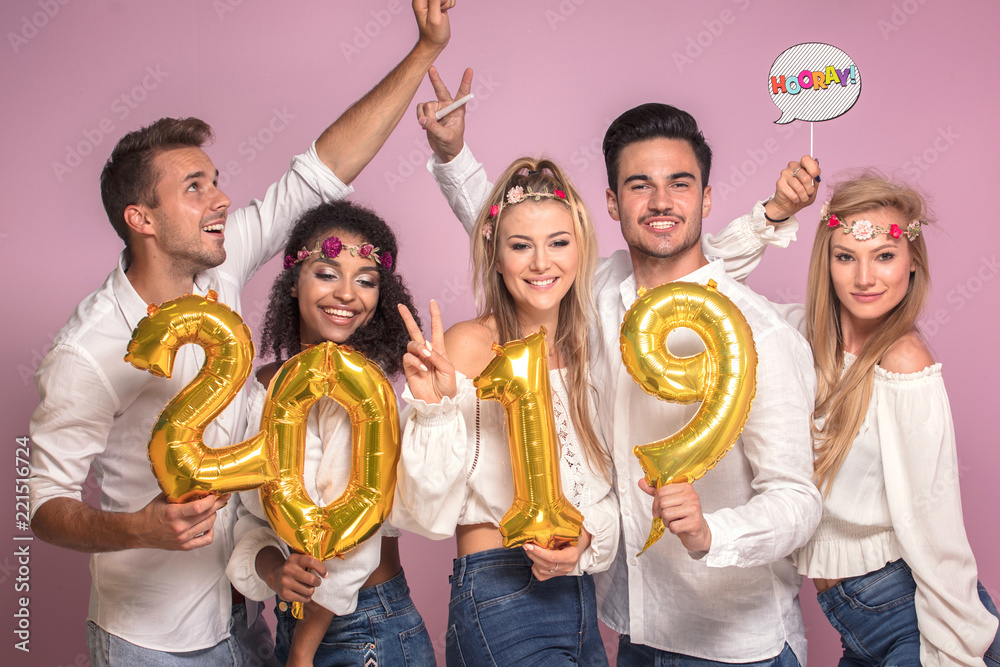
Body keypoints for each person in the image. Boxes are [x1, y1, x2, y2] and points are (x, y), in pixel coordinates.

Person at [27, 2, 457, 664]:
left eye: (217, 182)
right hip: (151, 639)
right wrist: (140, 527)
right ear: (141, 217)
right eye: (196, 188)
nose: (221, 200)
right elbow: (44, 503)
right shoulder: (87, 349)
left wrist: (425, 49)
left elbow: (324, 169)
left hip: (246, 619)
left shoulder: (221, 270)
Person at [419, 72, 825, 664]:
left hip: (737, 644)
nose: (661, 202)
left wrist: (714, 533)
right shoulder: (597, 295)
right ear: (612, 202)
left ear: (707, 198)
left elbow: (797, 499)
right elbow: (525, 238)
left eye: (680, 184)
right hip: (627, 630)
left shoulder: (760, 333)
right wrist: (454, 156)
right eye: (640, 185)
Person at [396, 157, 620, 665]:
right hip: (500, 590)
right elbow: (424, 511)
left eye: (558, 242)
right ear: (496, 257)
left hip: (580, 589)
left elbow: (608, 489)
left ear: (580, 250)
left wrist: (586, 537)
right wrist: (432, 410)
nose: (541, 263)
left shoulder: (593, 349)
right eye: (521, 246)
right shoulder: (470, 345)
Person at [781, 174, 1000, 665]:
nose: (864, 278)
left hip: (917, 615)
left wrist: (954, 654)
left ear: (912, 265)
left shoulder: (904, 362)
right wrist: (776, 212)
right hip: (855, 617)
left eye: (884, 255)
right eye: (846, 257)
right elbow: (706, 291)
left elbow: (935, 527)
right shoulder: (797, 336)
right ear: (826, 261)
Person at [225, 201, 435, 667]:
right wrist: (275, 570)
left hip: (366, 630)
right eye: (327, 273)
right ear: (293, 279)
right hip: (294, 624)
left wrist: (301, 651)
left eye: (366, 280)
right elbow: (249, 518)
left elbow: (355, 537)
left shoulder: (362, 389)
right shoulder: (262, 387)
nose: (347, 294)